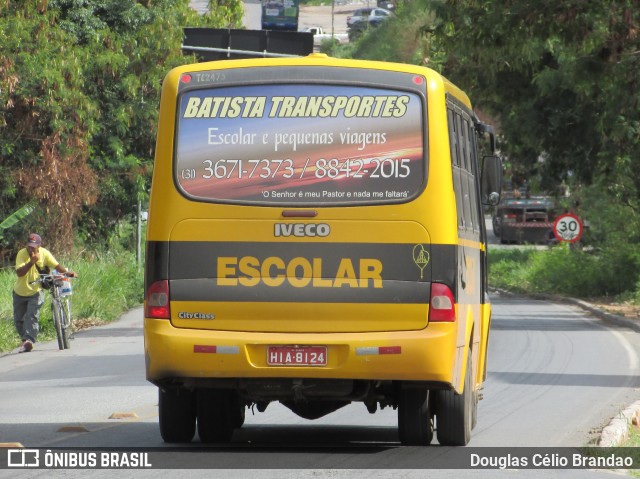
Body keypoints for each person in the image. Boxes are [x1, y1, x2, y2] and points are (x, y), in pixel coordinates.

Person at [13, 233, 77, 353]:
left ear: (39, 245)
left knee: (32, 316)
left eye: (34, 246)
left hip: (35, 292)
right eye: (29, 246)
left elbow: (56, 265)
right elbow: (20, 273)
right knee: (19, 320)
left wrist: (67, 273)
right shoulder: (21, 254)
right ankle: (25, 342)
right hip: (19, 292)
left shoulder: (44, 253)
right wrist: (31, 262)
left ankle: (30, 340)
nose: (31, 248)